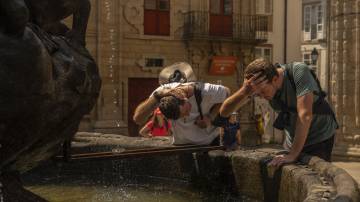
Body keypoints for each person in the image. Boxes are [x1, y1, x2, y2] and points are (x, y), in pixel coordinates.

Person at [220, 58, 338, 167]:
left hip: (319, 136)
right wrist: (245, 91)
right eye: (257, 94)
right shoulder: (261, 85)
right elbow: (224, 112)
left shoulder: (299, 71)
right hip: (293, 141)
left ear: (275, 79)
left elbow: (305, 115)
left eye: (263, 91)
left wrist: (292, 155)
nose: (260, 96)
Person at [133, 79, 230, 145]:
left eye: (186, 111)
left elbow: (227, 93)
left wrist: (210, 117)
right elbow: (138, 119)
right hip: (181, 146)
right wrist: (157, 96)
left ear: (184, 98)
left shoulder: (206, 90)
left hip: (210, 143)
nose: (187, 115)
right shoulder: (162, 92)